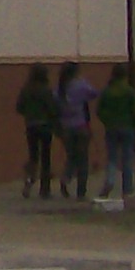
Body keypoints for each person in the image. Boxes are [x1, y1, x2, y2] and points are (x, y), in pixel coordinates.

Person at [96, 63, 135, 203]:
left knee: (112, 157)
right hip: (127, 127)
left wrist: (107, 121)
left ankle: (109, 181)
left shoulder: (107, 91)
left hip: (111, 128)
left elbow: (99, 110)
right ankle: (127, 188)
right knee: (127, 158)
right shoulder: (129, 91)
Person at [16, 63, 59, 199]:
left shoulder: (26, 89)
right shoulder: (46, 90)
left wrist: (29, 114)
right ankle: (45, 189)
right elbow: (52, 109)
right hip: (45, 126)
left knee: (33, 155)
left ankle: (29, 180)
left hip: (31, 125)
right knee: (45, 157)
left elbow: (19, 107)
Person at [56, 60, 99, 199]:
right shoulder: (80, 85)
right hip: (81, 126)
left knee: (71, 157)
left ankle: (65, 178)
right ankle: (81, 191)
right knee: (83, 159)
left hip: (66, 128)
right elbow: (94, 93)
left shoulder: (59, 89)